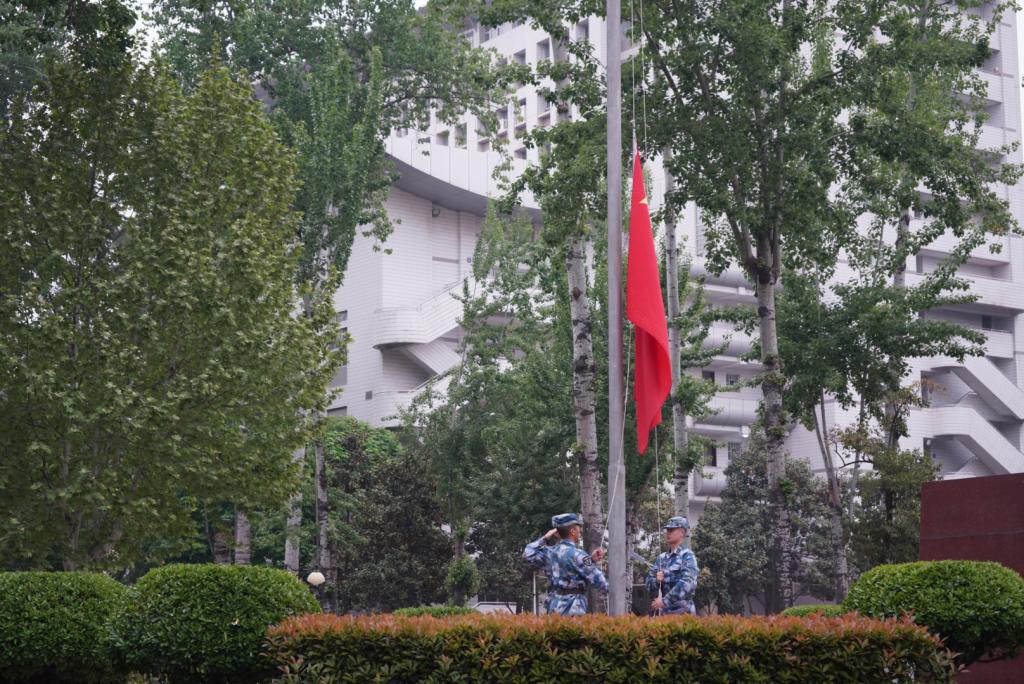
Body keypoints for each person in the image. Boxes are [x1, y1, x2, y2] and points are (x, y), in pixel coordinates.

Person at [523, 513, 608, 616]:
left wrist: (545, 538)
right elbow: (600, 582)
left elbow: (528, 553)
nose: (580, 531)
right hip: (573, 607)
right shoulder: (578, 555)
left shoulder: (550, 553)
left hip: (554, 605)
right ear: (573, 531)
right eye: (578, 528)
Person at [645, 516, 698, 615]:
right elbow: (648, 586)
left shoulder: (687, 556)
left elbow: (688, 583)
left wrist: (665, 601)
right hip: (662, 615)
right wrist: (656, 581)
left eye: (672, 529)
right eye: (667, 530)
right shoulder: (661, 558)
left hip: (682, 615)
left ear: (682, 532)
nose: (668, 532)